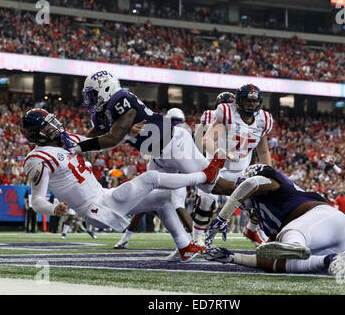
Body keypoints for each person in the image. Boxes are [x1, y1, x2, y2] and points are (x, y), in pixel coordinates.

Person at [20, 108, 225, 261]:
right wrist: (53, 208)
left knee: (164, 198)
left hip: (103, 196)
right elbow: (37, 200)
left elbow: (99, 143)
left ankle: (185, 246)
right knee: (151, 178)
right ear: (36, 134)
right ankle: (204, 176)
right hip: (94, 209)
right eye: (48, 127)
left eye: (53, 122)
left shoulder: (68, 141)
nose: (55, 128)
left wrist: (127, 135)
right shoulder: (37, 158)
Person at [69, 71, 234, 199]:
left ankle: (249, 191)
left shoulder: (121, 101)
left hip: (174, 144)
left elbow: (113, 138)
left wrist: (78, 147)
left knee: (210, 185)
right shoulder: (103, 112)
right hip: (157, 153)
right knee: (157, 197)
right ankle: (184, 242)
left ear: (106, 88)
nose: (90, 100)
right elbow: (94, 135)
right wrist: (71, 143)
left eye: (92, 94)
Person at [204, 164, 345, 276]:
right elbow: (265, 260)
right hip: (331, 242)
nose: (244, 205)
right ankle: (331, 260)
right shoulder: (269, 220)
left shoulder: (272, 185)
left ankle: (294, 244)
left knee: (288, 236)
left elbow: (251, 184)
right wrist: (231, 257)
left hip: (323, 219)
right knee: (279, 262)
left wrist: (222, 217)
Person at [192, 85, 274, 246]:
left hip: (241, 171)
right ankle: (196, 239)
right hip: (217, 167)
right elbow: (204, 140)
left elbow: (264, 152)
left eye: (254, 100)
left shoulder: (263, 120)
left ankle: (251, 230)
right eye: (247, 100)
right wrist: (219, 153)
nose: (251, 104)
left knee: (263, 198)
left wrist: (268, 174)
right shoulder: (222, 115)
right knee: (206, 200)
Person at [114, 108, 194, 250]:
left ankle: (196, 240)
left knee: (178, 205)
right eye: (173, 121)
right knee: (142, 201)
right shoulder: (161, 132)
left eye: (178, 122)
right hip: (157, 170)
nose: (176, 124)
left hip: (176, 175)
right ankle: (125, 238)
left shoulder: (183, 136)